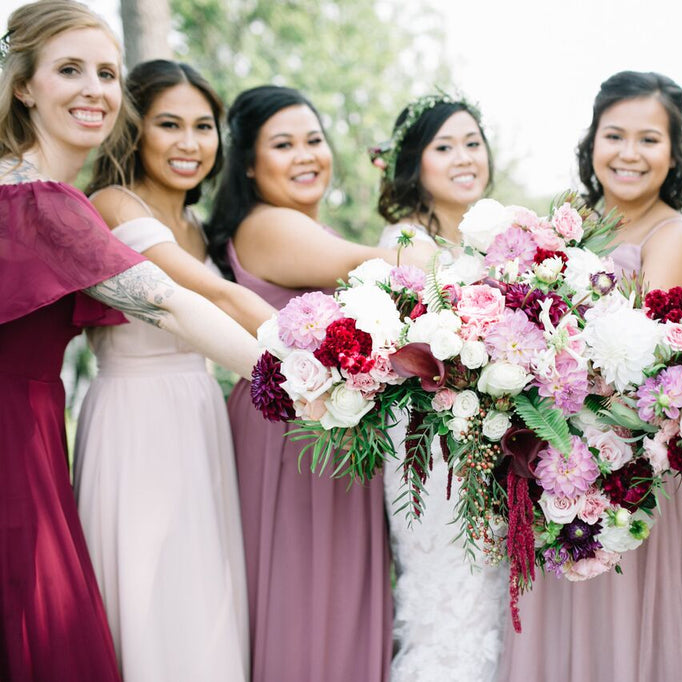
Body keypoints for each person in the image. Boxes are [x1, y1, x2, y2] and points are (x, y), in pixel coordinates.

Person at [0, 2, 259, 680]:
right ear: (24, 85)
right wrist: (295, 376)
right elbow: (172, 306)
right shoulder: (38, 201)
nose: (95, 89)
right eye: (70, 70)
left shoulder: (43, 195)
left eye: (108, 73)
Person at [205, 84, 430, 682]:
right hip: (294, 439)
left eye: (314, 140)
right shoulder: (269, 225)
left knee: (333, 598)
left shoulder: (306, 227)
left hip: (326, 431)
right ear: (250, 165)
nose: (306, 155)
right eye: (284, 144)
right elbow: (390, 265)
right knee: (308, 602)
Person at [500, 70, 682, 682]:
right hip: (558, 457)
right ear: (591, 141)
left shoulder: (673, 234)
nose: (628, 153)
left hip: (625, 467)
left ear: (673, 153)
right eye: (613, 135)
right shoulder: (569, 226)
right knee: (562, 632)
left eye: (648, 139)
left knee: (621, 638)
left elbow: (646, 365)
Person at [72, 59, 274, 681]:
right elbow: (214, 300)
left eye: (203, 126)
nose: (189, 144)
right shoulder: (112, 203)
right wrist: (325, 353)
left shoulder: (199, 226)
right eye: (169, 125)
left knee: (204, 588)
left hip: (198, 413)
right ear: (134, 130)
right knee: (150, 591)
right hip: (136, 419)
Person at [373, 92, 507, 681]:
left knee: (497, 598)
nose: (463, 157)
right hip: (430, 446)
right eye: (444, 146)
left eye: (472, 143)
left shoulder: (501, 243)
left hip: (494, 442)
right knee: (447, 604)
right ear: (416, 165)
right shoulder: (406, 242)